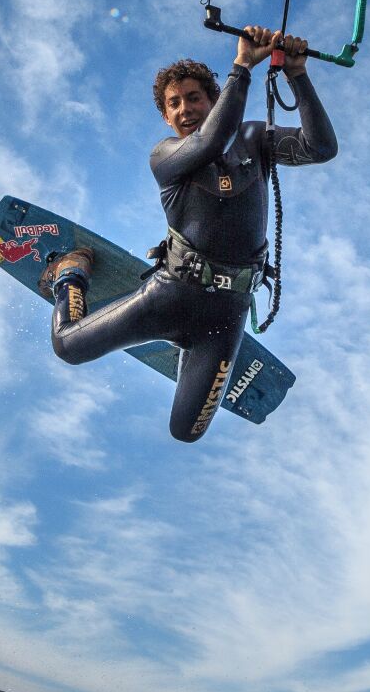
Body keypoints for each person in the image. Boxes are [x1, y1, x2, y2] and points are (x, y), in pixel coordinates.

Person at [42, 25, 336, 441]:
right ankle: (70, 274)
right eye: (174, 104)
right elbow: (211, 142)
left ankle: (187, 353)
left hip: (226, 314)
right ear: (165, 116)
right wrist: (242, 66)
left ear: (214, 100)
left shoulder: (254, 138)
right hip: (171, 294)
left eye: (194, 98)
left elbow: (320, 148)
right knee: (68, 348)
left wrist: (298, 74)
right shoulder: (165, 156)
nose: (185, 109)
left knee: (186, 431)